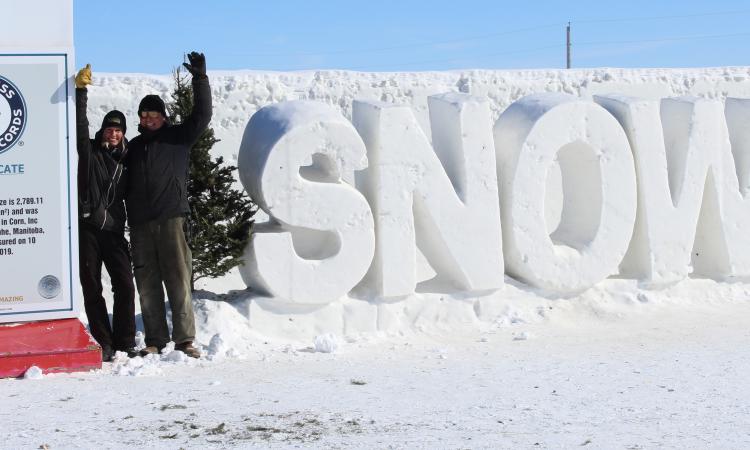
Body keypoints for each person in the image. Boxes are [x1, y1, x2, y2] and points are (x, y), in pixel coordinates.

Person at [125, 52, 211, 359]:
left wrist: (200, 79)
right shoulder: (132, 148)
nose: (148, 120)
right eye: (143, 116)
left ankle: (185, 339)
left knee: (178, 280)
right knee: (147, 285)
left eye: (153, 116)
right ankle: (155, 339)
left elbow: (202, 116)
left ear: (163, 117)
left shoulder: (178, 138)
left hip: (171, 218)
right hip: (140, 224)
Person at [75, 64, 136, 362]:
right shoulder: (90, 151)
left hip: (114, 231)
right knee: (92, 287)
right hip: (88, 229)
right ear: (103, 130)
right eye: (110, 129)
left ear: (124, 133)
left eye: (118, 130)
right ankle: (104, 340)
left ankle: (125, 340)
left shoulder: (129, 158)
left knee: (125, 284)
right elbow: (80, 125)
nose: (113, 134)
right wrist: (81, 91)